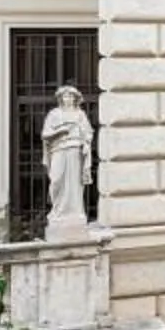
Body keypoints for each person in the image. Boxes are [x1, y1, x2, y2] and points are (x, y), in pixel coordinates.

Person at [41, 84, 96, 240]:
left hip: (74, 150)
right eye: (66, 96)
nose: (69, 99)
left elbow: (88, 133)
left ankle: (76, 212)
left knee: (74, 183)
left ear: (76, 99)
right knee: (56, 180)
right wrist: (59, 131)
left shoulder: (80, 114)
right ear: (60, 99)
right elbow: (45, 134)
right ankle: (57, 211)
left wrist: (86, 144)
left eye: (72, 96)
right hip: (59, 150)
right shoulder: (54, 114)